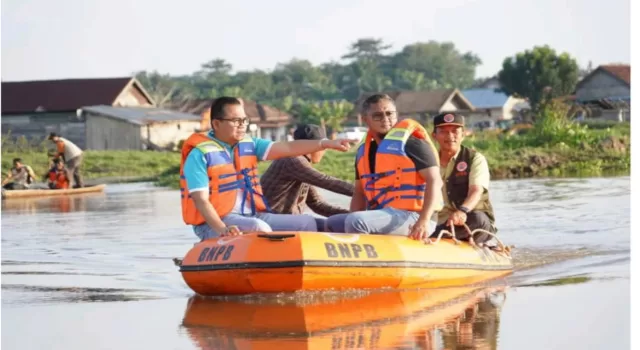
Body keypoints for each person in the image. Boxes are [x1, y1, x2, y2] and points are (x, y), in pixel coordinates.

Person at [180, 96, 358, 241]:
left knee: (306, 223)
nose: (242, 125)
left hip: (251, 215)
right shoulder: (199, 155)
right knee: (260, 228)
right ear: (217, 124)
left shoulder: (250, 144)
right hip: (213, 224)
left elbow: (288, 148)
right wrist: (223, 229)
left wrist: (327, 143)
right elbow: (201, 200)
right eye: (235, 120)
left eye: (244, 120)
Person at [326, 94, 443, 241]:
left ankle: (363, 261)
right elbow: (359, 193)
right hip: (384, 214)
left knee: (357, 221)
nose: (385, 119)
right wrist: (350, 219)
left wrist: (424, 221)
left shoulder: (413, 144)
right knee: (333, 223)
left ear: (396, 115)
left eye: (389, 114)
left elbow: (435, 181)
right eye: (377, 115)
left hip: (415, 215)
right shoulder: (364, 153)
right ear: (365, 119)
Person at [260, 124, 355, 231]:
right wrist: (364, 192)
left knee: (332, 225)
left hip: (285, 219)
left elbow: (316, 204)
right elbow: (326, 181)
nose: (324, 151)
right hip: (271, 218)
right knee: (311, 223)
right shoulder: (293, 160)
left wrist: (352, 215)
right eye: (323, 147)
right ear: (312, 146)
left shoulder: (300, 165)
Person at [429, 112, 497, 244]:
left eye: (455, 131)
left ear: (463, 134)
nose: (450, 136)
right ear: (434, 135)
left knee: (477, 219)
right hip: (438, 222)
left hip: (468, 219)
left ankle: (435, 237)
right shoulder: (428, 162)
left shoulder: (474, 159)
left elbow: (476, 191)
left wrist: (462, 211)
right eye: (443, 132)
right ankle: (434, 235)